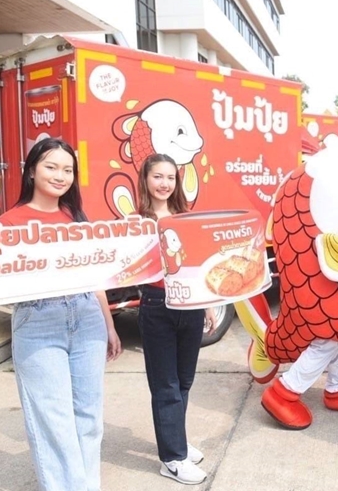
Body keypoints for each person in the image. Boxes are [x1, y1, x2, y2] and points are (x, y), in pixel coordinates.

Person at [0, 137, 123, 491]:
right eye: (51, 167)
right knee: (54, 422)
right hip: (38, 321)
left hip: (86, 317)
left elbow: (94, 276)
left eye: (68, 170)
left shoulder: (77, 218)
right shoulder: (8, 223)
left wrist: (109, 325)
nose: (60, 176)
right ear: (31, 171)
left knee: (89, 417)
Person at [134, 153, 217, 485]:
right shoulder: (136, 221)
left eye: (170, 177)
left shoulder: (184, 217)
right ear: (145, 179)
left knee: (184, 380)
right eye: (158, 176)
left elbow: (196, 263)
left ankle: (176, 441)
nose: (164, 183)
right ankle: (172, 457)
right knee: (165, 384)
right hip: (157, 305)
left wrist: (207, 304)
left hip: (191, 305)